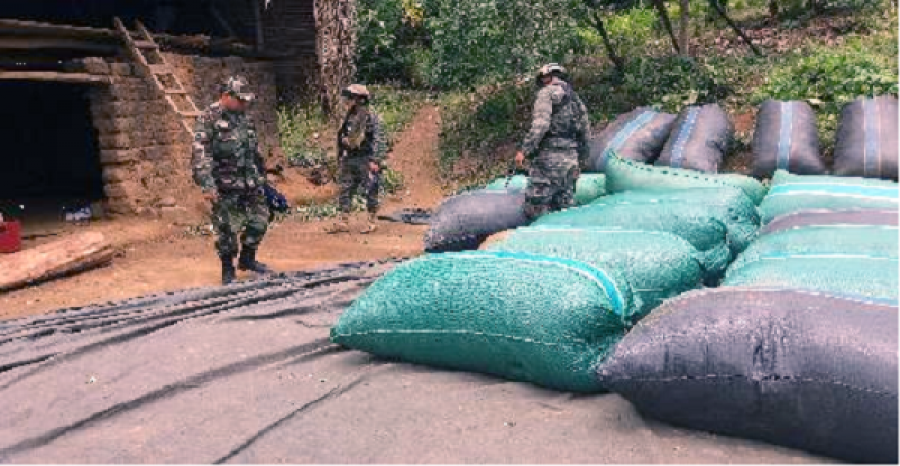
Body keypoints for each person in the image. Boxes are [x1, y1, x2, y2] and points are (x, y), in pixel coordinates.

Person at [192, 75, 274, 285]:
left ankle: (247, 259)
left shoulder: (244, 118)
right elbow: (201, 153)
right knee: (226, 230)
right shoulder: (209, 118)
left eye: (246, 100)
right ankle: (228, 270)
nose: (244, 103)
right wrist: (207, 184)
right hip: (225, 184)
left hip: (250, 181)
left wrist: (263, 177)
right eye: (240, 99)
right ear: (226, 96)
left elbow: (254, 150)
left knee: (261, 220)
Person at [515, 63, 590, 220]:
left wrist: (524, 150)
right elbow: (586, 132)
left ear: (546, 78)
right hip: (571, 160)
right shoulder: (576, 100)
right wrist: (582, 159)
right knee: (565, 208)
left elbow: (540, 125)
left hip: (549, 160)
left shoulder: (546, 94)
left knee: (535, 208)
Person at [328, 84, 387, 234]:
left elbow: (379, 139)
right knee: (345, 188)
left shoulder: (371, 117)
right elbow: (341, 135)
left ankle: (371, 220)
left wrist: (375, 160)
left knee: (370, 189)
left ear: (360, 99)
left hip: (366, 157)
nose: (347, 100)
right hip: (350, 157)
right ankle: (343, 220)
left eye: (351, 97)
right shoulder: (348, 116)